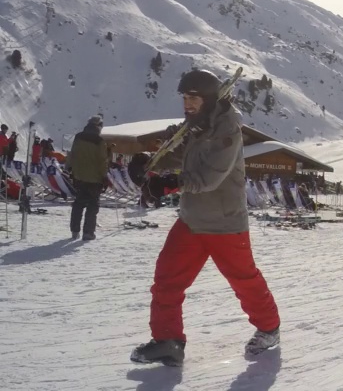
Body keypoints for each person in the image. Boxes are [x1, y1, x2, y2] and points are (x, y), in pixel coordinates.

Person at [131, 69, 280, 367]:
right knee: (166, 279)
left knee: (243, 280)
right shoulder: (196, 126)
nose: (187, 103)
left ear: (209, 99)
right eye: (184, 97)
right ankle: (168, 341)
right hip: (192, 219)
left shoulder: (227, 130)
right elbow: (183, 157)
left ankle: (269, 328)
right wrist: (149, 166)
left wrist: (170, 183)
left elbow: (210, 176)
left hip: (225, 223)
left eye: (193, 98)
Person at [68, 116, 108, 240]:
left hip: (79, 176)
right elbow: (102, 161)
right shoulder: (99, 141)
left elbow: (72, 154)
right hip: (94, 178)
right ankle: (88, 232)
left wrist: (71, 170)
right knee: (92, 205)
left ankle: (75, 231)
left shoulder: (78, 137)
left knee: (78, 204)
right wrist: (104, 176)